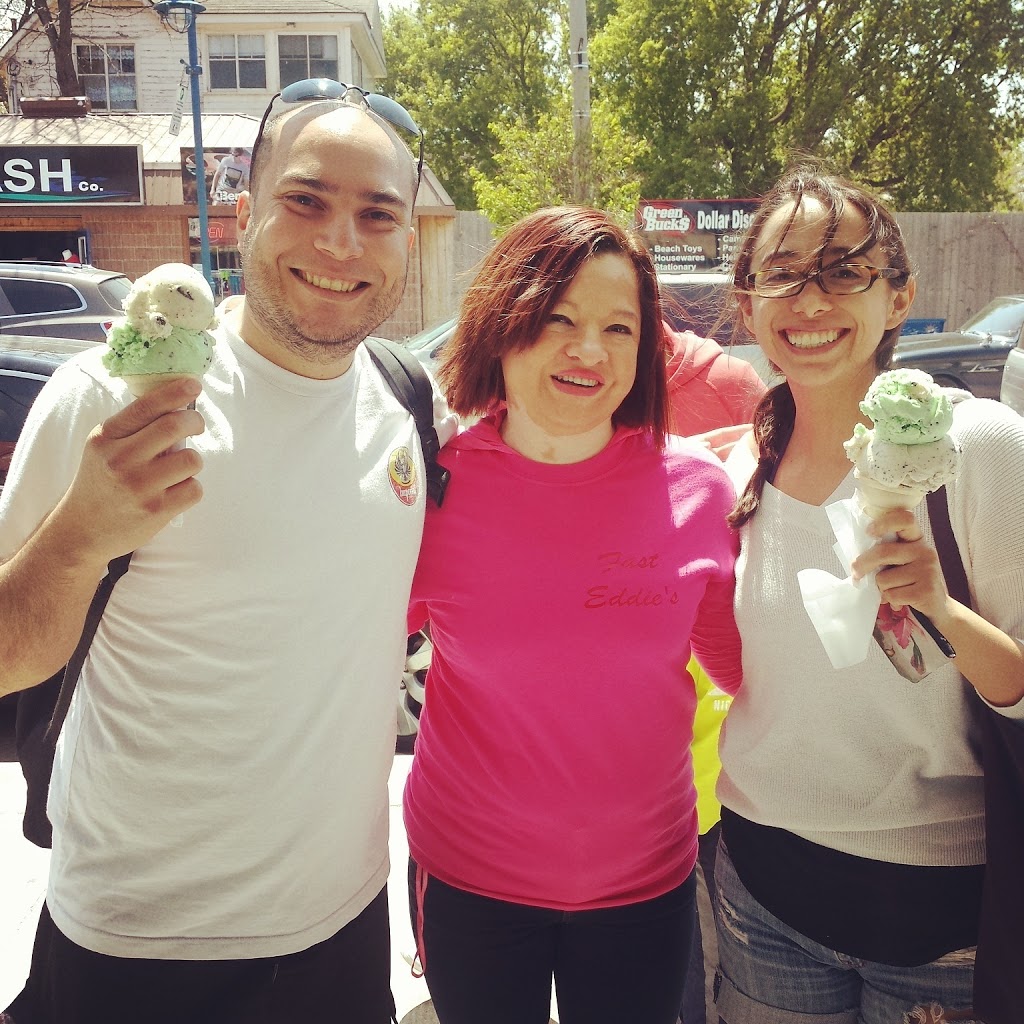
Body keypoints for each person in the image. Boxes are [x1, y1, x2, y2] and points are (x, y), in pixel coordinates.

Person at [0, 85, 454, 1024]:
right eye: (306, 201)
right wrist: (82, 530)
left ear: (408, 241)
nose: (341, 243)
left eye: (378, 216)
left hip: (342, 927)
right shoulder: (113, 401)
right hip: (135, 942)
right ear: (243, 215)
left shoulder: (407, 403)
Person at [403, 205, 743, 1024]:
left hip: (648, 884)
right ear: (502, 323)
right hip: (469, 882)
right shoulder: (428, 491)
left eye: (619, 328)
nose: (589, 351)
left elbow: (746, 673)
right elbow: (340, 654)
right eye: (558, 319)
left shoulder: (699, 492)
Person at [714, 168, 1024, 1024]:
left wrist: (943, 610)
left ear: (898, 298)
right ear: (748, 306)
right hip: (761, 898)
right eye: (783, 272)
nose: (811, 299)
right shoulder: (736, 471)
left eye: (844, 269)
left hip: (941, 922)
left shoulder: (978, 448)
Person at [662, 323, 764, 1024]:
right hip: (605, 787)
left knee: (712, 980)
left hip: (716, 768)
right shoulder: (515, 402)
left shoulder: (727, 387)